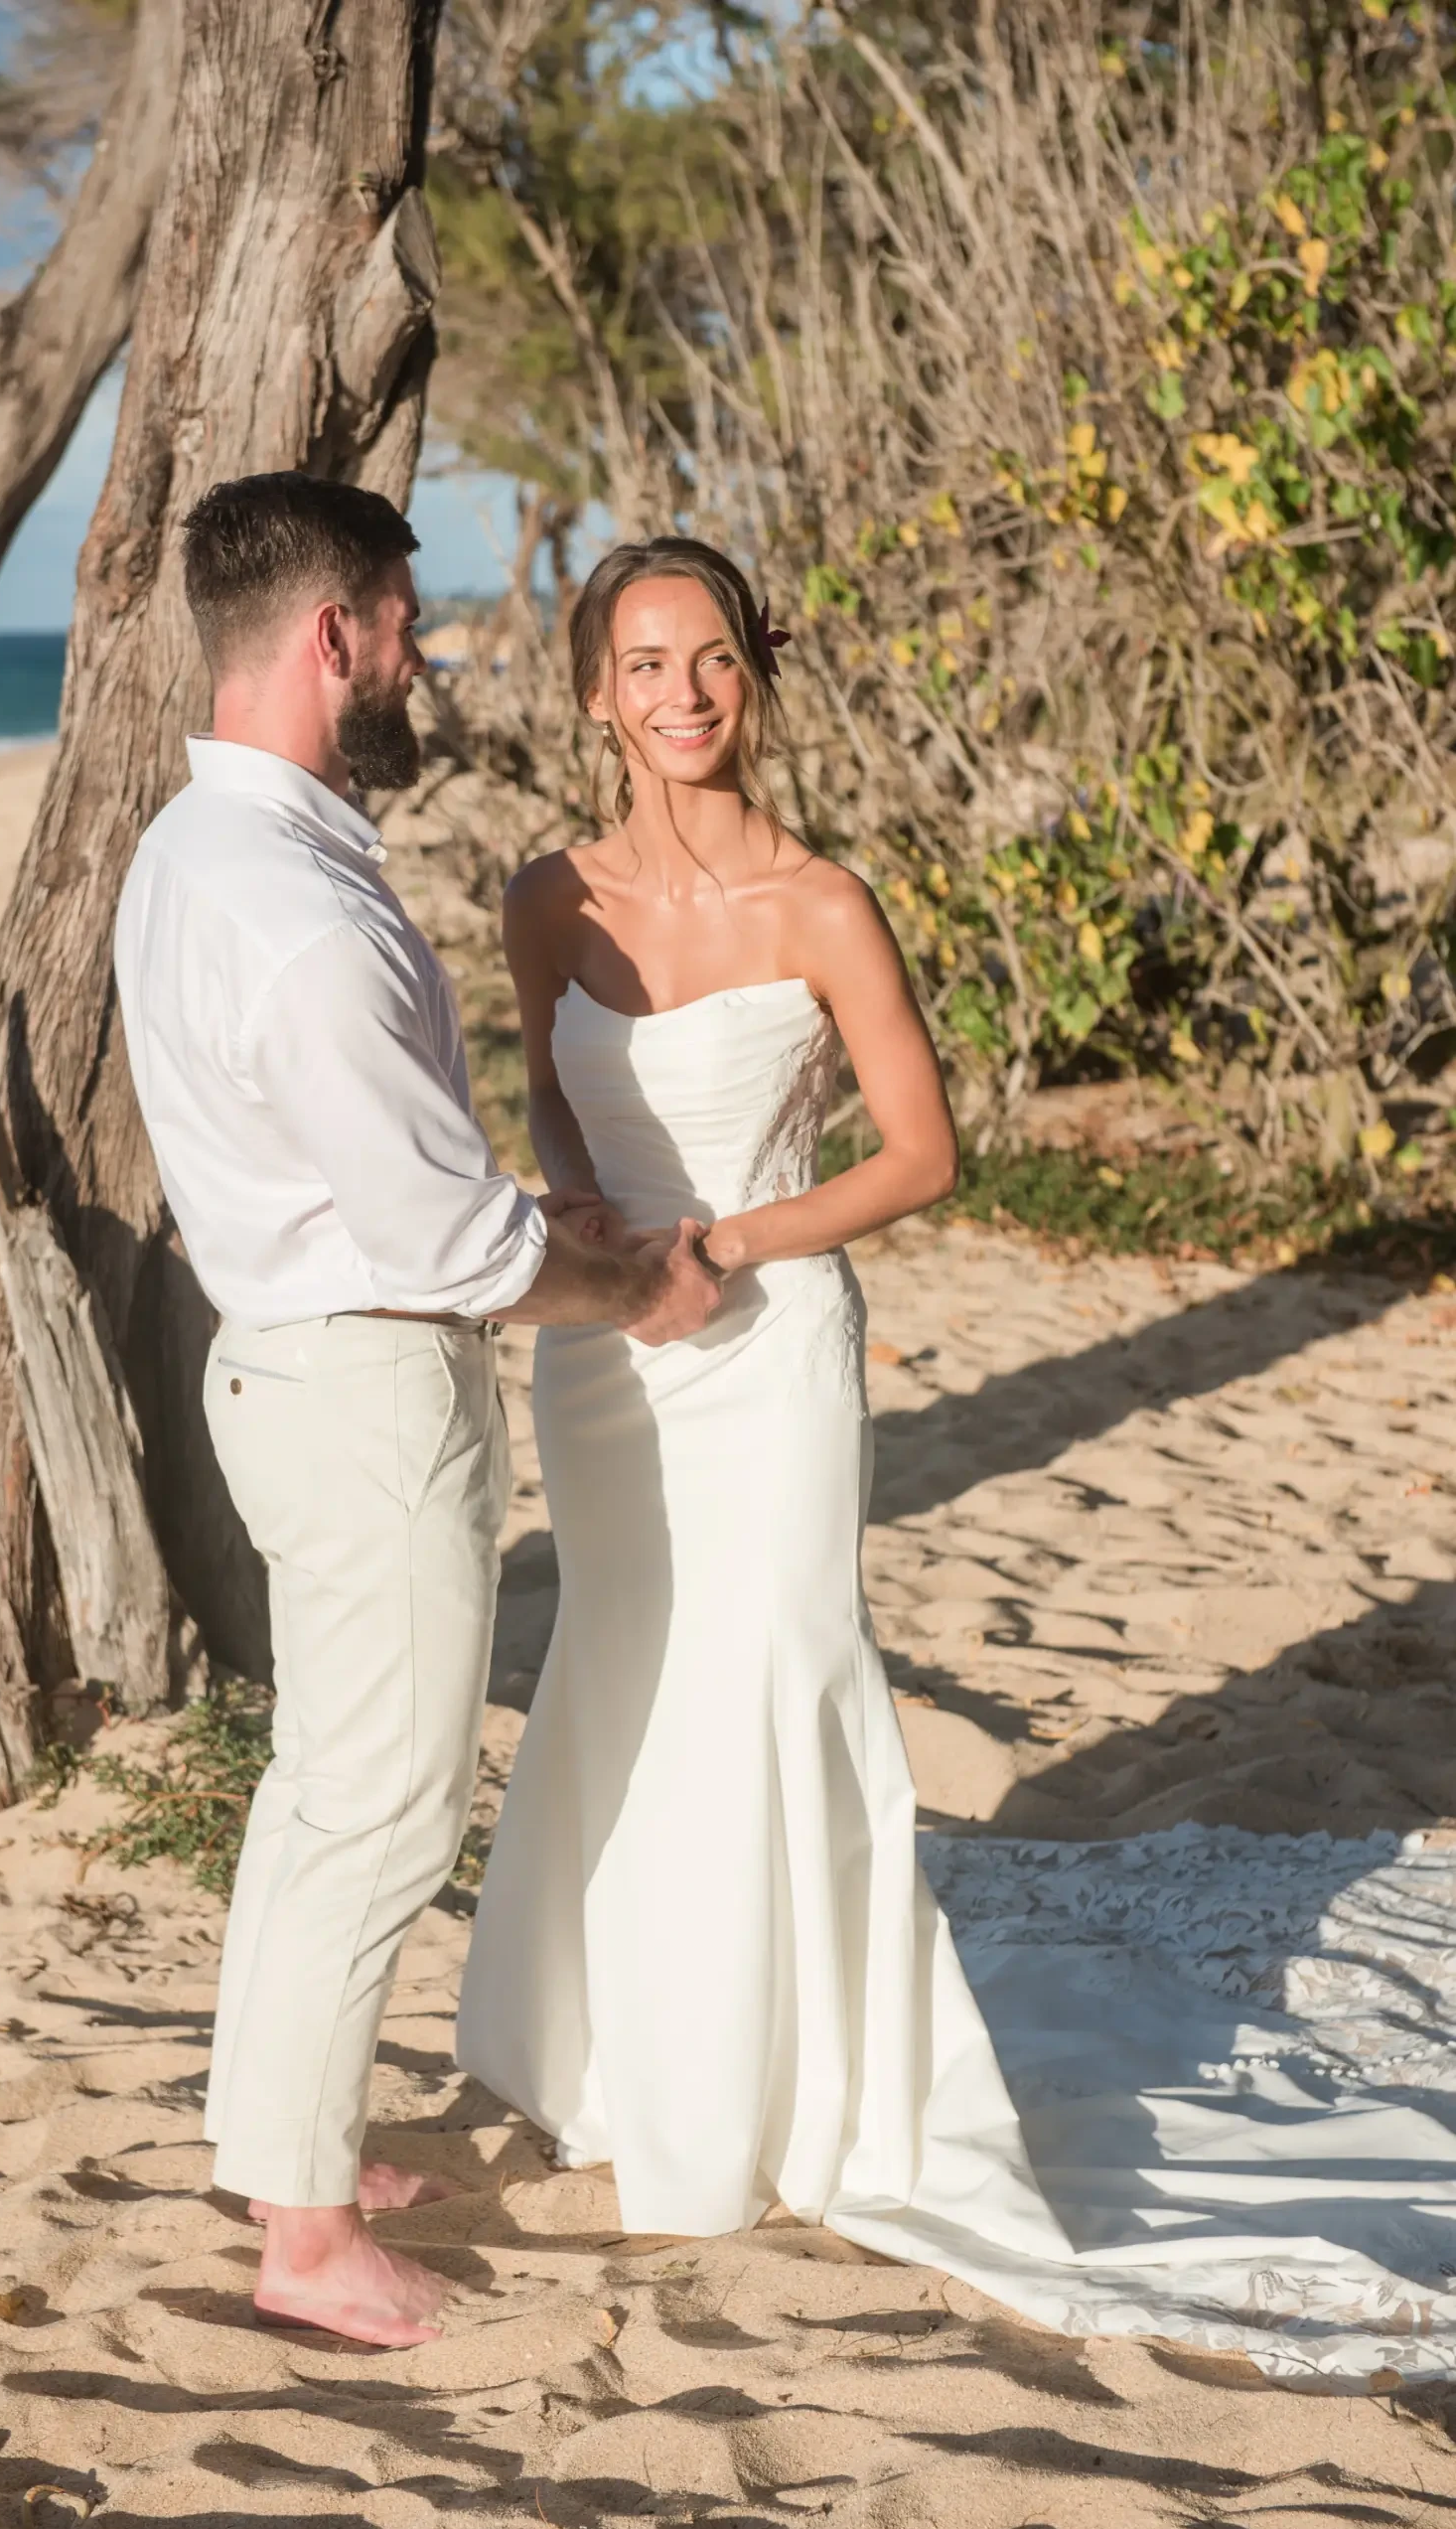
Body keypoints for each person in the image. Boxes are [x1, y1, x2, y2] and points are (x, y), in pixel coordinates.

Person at [453, 536, 1456, 2378]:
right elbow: (543, 1079)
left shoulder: (820, 902)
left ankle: (786, 2093)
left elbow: (921, 1157)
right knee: (629, 1670)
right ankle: (631, 2060)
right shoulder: (547, 900)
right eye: (644, 665)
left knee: (775, 1676)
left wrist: (731, 1245)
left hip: (763, 1344)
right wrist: (588, 1207)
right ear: (592, 690)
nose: (682, 695)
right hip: (606, 1357)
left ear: (754, 672)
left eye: (713, 661)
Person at [113, 475, 722, 2350]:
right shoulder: (291, 903)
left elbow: (355, 1178)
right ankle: (302, 2242)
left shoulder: (187, 854)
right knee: (378, 1808)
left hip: (289, 1354)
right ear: (327, 639)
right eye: (398, 616)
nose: (417, 646)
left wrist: (511, 1219)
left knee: (324, 1786)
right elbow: (425, 1242)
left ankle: (272, 2142)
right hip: (364, 1383)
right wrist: (627, 1280)